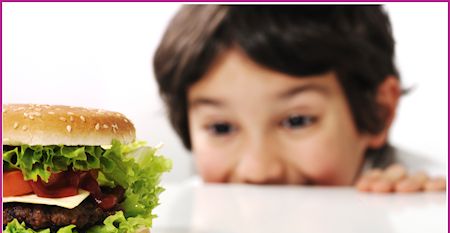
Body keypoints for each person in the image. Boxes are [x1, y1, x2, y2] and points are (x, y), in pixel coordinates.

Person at [153, 5, 446, 192]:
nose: (258, 171)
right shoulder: (186, 203)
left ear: (379, 111)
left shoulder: (427, 189)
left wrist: (420, 215)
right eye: (221, 128)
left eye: (297, 121)